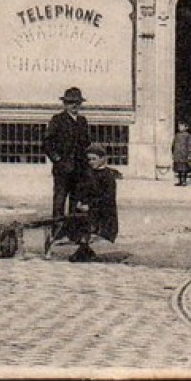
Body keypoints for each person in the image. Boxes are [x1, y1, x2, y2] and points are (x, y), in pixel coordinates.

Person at [63, 144, 121, 263]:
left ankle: (84, 250)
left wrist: (90, 206)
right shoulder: (87, 174)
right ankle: (83, 248)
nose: (90, 162)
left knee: (88, 220)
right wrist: (79, 202)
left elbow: (107, 199)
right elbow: (81, 191)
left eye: (94, 159)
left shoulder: (107, 176)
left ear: (103, 159)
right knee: (74, 219)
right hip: (87, 209)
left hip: (103, 213)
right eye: (89, 159)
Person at [42, 86, 91, 221]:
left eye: (77, 102)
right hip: (62, 169)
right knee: (60, 199)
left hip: (79, 169)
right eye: (70, 102)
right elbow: (47, 143)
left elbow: (87, 143)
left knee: (76, 201)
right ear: (65, 104)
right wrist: (57, 160)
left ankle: (72, 232)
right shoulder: (57, 120)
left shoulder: (82, 121)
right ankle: (57, 232)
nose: (74, 105)